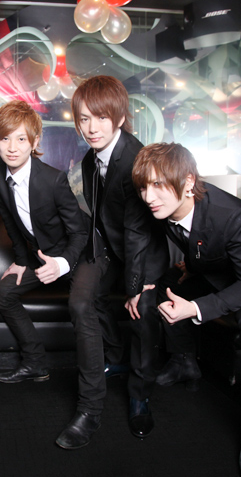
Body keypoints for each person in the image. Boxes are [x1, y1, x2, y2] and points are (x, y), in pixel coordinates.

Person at [132, 143, 241, 477]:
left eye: (157, 185)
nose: (148, 196)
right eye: (143, 187)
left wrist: (196, 307)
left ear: (187, 182)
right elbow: (199, 240)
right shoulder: (167, 209)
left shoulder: (230, 213)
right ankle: (184, 361)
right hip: (221, 273)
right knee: (163, 289)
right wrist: (189, 268)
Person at [0, 100, 107, 449]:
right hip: (42, 255)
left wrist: (62, 264)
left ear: (34, 142)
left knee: (80, 306)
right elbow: (9, 218)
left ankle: (90, 408)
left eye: (21, 139)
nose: (12, 147)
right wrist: (22, 260)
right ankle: (35, 362)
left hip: (84, 252)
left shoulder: (53, 179)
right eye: (5, 138)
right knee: (4, 292)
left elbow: (80, 233)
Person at [70, 75, 168, 440]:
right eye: (84, 119)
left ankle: (140, 395)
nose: (92, 128)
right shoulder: (89, 160)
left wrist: (135, 288)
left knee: (142, 313)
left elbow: (139, 232)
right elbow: (99, 215)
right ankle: (114, 358)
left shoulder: (136, 159)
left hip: (144, 252)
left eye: (101, 117)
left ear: (120, 117)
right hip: (112, 247)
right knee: (87, 298)